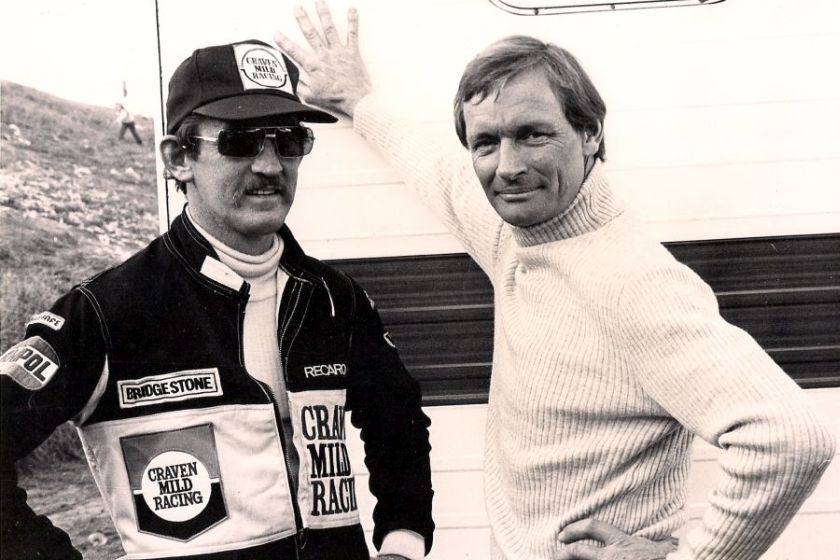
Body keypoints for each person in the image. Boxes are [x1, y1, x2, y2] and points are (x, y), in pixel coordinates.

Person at [273, 3, 836, 559]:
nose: (507, 166)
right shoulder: (516, 234)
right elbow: (436, 170)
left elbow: (790, 440)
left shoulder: (632, 280)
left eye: (533, 134)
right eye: (486, 142)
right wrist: (358, 100)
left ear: (589, 133)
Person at [0, 38, 434, 560]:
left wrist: (402, 542)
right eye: (242, 141)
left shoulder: (334, 298)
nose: (271, 165)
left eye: (289, 140)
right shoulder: (106, 312)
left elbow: (399, 420)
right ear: (179, 158)